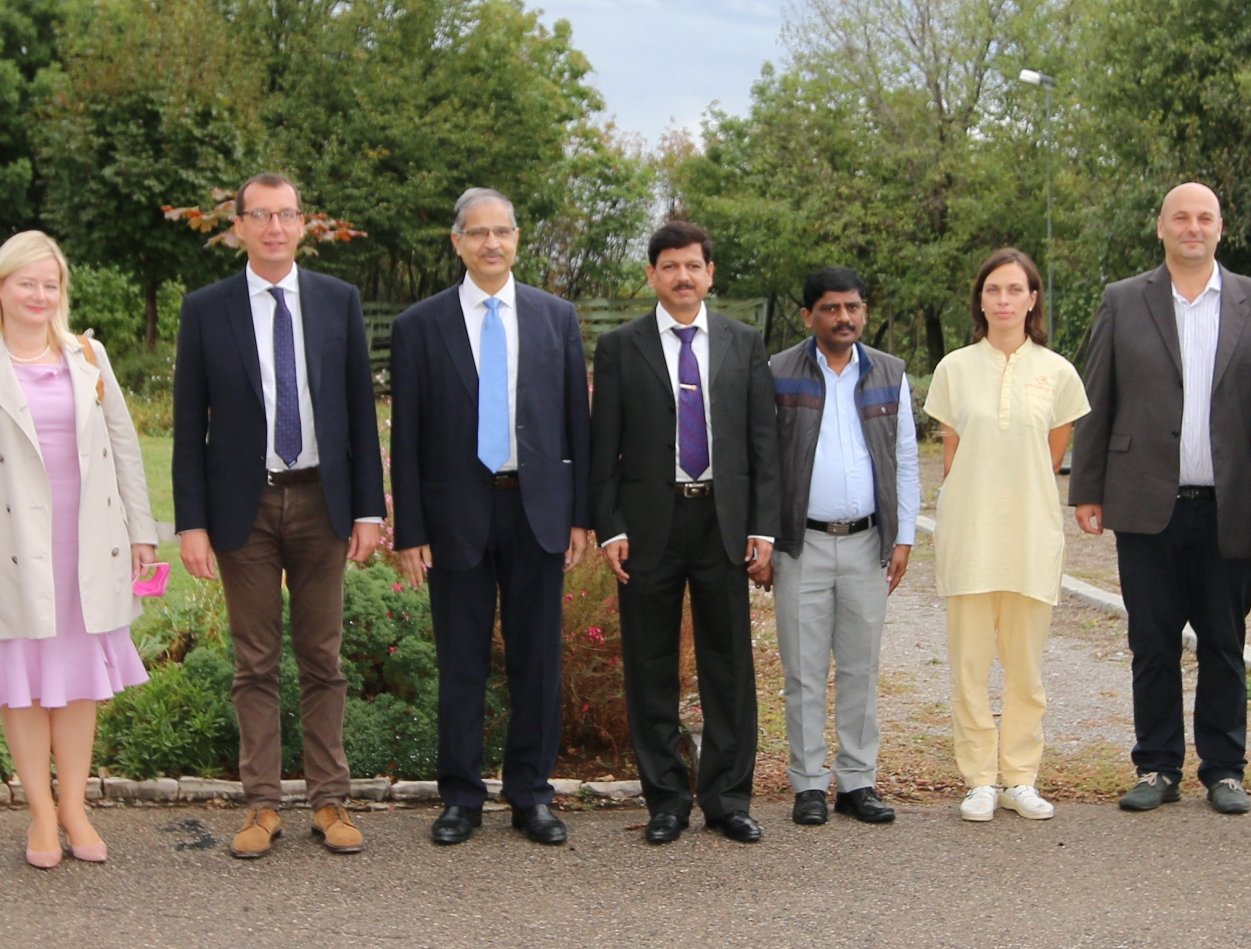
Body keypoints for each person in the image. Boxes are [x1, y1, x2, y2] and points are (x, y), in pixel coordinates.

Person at [171, 175, 385, 861]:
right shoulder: (206, 309)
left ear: (302, 225)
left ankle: (329, 799)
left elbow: (359, 411)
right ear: (237, 226)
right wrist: (191, 523)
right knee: (255, 662)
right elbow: (188, 426)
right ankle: (261, 804)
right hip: (245, 506)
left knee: (323, 657)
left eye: (285, 214)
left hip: (323, 500)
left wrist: (369, 509)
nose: (273, 226)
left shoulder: (336, 300)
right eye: (259, 215)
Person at [1070, 183, 1251, 816]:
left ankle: (1225, 770)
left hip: (1232, 504)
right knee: (1153, 643)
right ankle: (1157, 765)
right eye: (1181, 217)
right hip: (1145, 502)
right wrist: (1087, 488)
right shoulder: (1123, 300)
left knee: (1224, 643)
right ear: (1161, 227)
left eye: (1205, 218)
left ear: (1221, 228)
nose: (1193, 227)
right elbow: (1097, 396)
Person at [0, 231, 159, 869]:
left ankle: (75, 807)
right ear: (0, 288)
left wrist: (141, 531)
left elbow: (123, 446)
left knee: (79, 683)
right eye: (26, 283)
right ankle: (40, 811)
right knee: (24, 686)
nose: (39, 295)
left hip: (88, 542)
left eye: (50, 284)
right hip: (10, 549)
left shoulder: (88, 356)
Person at [389, 188, 594, 847]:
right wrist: (410, 530)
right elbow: (406, 436)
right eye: (477, 233)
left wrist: (581, 515)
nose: (491, 243)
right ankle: (461, 797)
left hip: (537, 512)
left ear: (517, 238)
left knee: (538, 662)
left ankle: (531, 794)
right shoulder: (420, 325)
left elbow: (577, 422)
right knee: (462, 664)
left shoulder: (555, 317)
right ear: (457, 243)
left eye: (502, 231)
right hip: (456, 516)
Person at [589, 220, 780, 845]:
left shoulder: (743, 343)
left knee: (730, 666)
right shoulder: (620, 347)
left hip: (724, 523)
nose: (682, 276)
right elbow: (603, 447)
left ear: (710, 274)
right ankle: (666, 800)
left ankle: (728, 799)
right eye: (669, 266)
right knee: (651, 666)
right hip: (649, 526)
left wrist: (763, 527)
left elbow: (762, 442)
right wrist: (609, 527)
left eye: (693, 265)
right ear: (651, 275)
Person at [924, 250, 1091, 822]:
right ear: (980, 299)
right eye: (993, 289)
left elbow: (1051, 457)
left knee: (1025, 670)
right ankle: (979, 780)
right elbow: (952, 455)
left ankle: (1020, 776)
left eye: (1015, 289)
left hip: (1029, 536)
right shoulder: (953, 369)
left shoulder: (1058, 372)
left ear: (1032, 299)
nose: (1003, 300)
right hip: (970, 536)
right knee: (969, 669)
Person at [767, 266, 920, 826]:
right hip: (800, 545)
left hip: (866, 543)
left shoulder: (889, 373)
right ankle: (808, 783)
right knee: (803, 671)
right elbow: (762, 461)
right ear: (808, 316)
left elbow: (905, 458)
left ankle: (858, 781)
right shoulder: (778, 373)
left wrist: (904, 535)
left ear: (863, 311)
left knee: (860, 667)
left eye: (852, 307)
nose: (844, 317)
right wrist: (763, 538)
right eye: (831, 308)